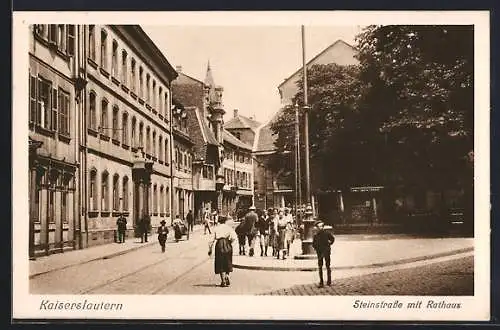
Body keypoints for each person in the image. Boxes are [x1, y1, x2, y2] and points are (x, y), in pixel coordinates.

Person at [208, 215, 237, 287]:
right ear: (225, 221)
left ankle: (223, 281)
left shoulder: (216, 228)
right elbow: (234, 237)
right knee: (228, 261)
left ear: (219, 221)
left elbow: (211, 241)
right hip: (227, 243)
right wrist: (230, 243)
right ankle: (227, 275)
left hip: (219, 245)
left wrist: (210, 249)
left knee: (220, 262)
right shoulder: (229, 228)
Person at [312, 221, 335, 287]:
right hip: (319, 252)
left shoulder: (327, 234)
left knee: (328, 266)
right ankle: (321, 282)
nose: (320, 228)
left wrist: (329, 244)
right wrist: (316, 249)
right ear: (317, 228)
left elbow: (332, 239)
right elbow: (314, 244)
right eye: (318, 227)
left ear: (323, 227)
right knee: (320, 267)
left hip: (326, 252)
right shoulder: (316, 236)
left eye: (321, 226)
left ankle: (329, 281)